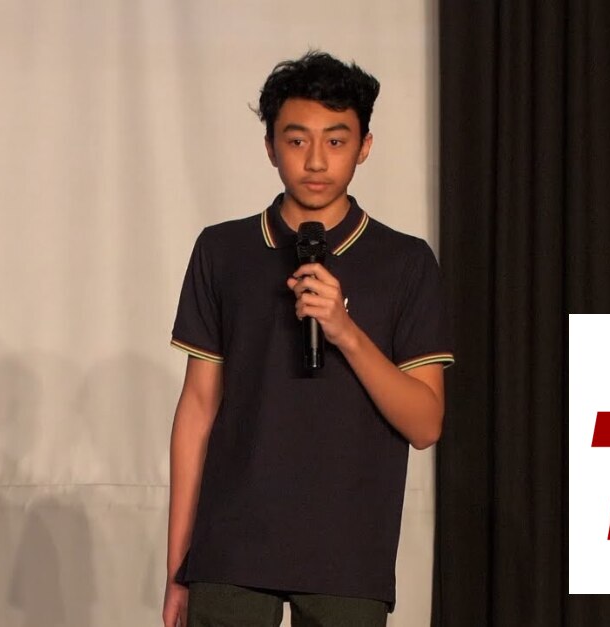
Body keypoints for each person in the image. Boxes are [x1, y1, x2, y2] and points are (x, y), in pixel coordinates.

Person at [163, 51, 453, 627]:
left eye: (337, 141)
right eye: (297, 141)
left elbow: (426, 425)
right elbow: (196, 410)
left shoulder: (405, 262)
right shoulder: (223, 251)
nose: (316, 160)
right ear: (270, 147)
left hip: (349, 553)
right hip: (230, 549)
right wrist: (178, 567)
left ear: (365, 146)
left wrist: (345, 332)